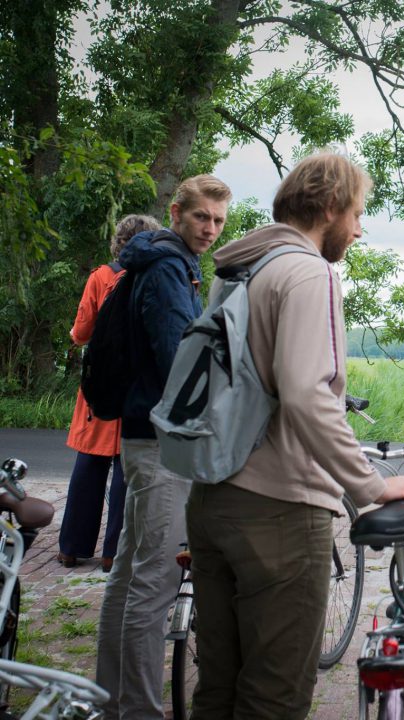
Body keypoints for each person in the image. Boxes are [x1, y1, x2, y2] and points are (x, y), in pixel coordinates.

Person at [184, 152, 404, 719]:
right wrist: (369, 485)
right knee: (274, 695)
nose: (359, 229)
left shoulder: (241, 269)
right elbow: (307, 393)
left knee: (218, 686)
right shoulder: (309, 270)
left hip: (214, 494)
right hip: (280, 509)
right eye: (358, 214)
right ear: (331, 206)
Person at [96, 175, 231, 720]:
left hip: (140, 434)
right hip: (161, 443)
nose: (210, 228)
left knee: (128, 575)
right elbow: (182, 362)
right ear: (176, 212)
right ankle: (140, 713)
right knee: (154, 583)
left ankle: (108, 701)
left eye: (219, 221)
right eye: (202, 217)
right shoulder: (170, 270)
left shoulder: (153, 262)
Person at [58, 214, 161, 573]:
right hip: (136, 386)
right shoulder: (155, 278)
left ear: (118, 242)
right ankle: (113, 554)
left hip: (101, 384)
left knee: (88, 462)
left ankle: (72, 547)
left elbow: (82, 332)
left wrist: (77, 332)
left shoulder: (101, 277)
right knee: (126, 468)